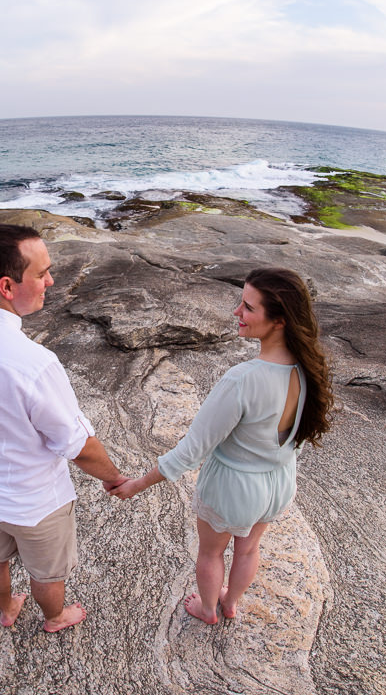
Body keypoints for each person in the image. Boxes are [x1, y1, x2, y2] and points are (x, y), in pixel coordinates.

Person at [0, 223, 128, 632]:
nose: (50, 280)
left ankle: (8, 608)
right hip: (35, 501)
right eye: (41, 273)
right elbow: (78, 445)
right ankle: (55, 617)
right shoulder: (33, 364)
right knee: (48, 572)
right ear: (7, 286)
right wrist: (114, 477)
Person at [110, 267, 333, 624]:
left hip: (234, 485)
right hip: (279, 482)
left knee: (211, 554)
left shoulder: (243, 379)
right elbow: (297, 438)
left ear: (278, 321)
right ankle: (231, 602)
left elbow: (192, 449)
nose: (236, 313)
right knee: (249, 549)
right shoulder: (309, 369)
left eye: (248, 307)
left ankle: (207, 608)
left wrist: (137, 484)